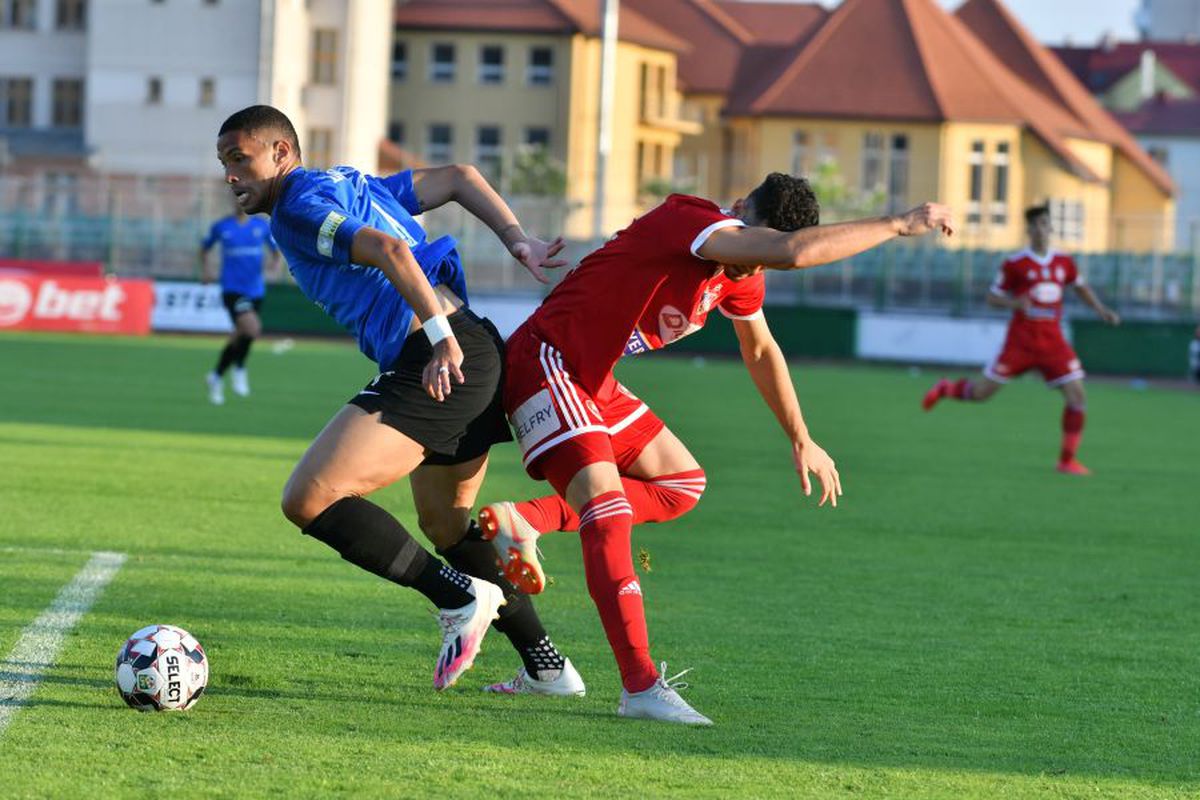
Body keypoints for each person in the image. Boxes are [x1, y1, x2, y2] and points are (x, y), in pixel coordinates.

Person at [477, 173, 954, 724]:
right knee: (606, 509)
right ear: (736, 215)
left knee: (682, 484)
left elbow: (760, 348)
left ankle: (527, 520)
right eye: (753, 241)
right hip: (548, 362)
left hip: (593, 382)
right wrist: (897, 222)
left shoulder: (743, 274)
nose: (751, 264)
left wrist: (801, 437)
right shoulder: (691, 219)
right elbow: (790, 252)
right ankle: (640, 685)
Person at [215, 104, 583, 694]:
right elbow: (461, 176)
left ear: (282, 153)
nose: (231, 175)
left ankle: (459, 598)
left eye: (240, 159)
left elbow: (389, 250)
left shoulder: (298, 209)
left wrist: (438, 340)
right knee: (446, 524)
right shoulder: (347, 184)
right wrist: (518, 241)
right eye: (224, 163)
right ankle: (547, 665)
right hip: (476, 348)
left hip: (440, 358)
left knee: (309, 498)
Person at [922, 204, 1120, 475]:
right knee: (981, 394)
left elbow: (1080, 287)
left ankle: (1066, 460)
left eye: (1044, 224)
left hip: (1053, 343)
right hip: (1020, 343)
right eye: (1035, 225)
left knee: (1077, 396)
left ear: (1051, 228)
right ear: (1028, 230)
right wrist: (1015, 302)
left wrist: (1101, 310)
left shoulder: (1064, 262)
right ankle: (946, 388)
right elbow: (992, 298)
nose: (1040, 229)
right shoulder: (1015, 264)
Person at [200, 196, 282, 404]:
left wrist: (274, 266)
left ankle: (216, 376)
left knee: (239, 335)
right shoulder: (222, 227)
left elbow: (276, 250)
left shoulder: (261, 226)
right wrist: (207, 270)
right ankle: (240, 369)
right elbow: (204, 248)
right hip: (232, 289)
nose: (239, 203)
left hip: (255, 290)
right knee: (252, 328)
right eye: (235, 200)